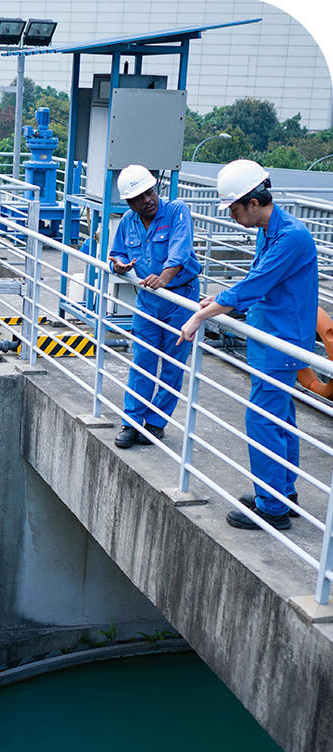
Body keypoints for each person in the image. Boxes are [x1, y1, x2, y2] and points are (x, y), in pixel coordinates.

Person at [178, 159, 318, 531]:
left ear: (253, 203)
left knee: (263, 420)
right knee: (280, 419)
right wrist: (218, 300)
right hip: (270, 336)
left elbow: (255, 286)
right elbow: (256, 280)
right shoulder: (271, 230)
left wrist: (198, 318)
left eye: (235, 208)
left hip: (281, 341)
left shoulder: (290, 237)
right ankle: (282, 492)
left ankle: (272, 507)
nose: (234, 216)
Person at [109, 165, 202, 448]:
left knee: (173, 363)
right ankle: (131, 422)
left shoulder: (176, 211)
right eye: (139, 197)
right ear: (130, 203)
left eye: (149, 191)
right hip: (148, 300)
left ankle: (156, 422)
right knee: (143, 361)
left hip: (180, 298)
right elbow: (117, 253)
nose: (147, 199)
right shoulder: (128, 221)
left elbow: (180, 249)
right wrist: (119, 266)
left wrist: (165, 277)